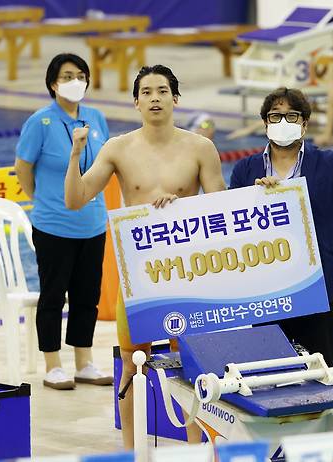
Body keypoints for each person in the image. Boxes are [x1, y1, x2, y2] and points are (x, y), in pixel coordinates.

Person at [64, 65, 227, 449]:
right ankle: (132, 452)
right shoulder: (118, 148)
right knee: (131, 366)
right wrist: (75, 155)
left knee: (192, 366)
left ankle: (195, 451)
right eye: (147, 92)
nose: (155, 97)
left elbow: (223, 209)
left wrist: (183, 206)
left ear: (176, 99)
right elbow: (75, 199)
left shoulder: (200, 148)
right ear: (136, 102)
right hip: (138, 278)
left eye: (163, 91)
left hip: (189, 278)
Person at [229, 87, 333, 366]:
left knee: (319, 360)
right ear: (265, 124)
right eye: (275, 116)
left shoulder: (326, 162)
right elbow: (231, 223)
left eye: (291, 116)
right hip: (267, 282)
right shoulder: (246, 170)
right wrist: (253, 196)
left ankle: (321, 409)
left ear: (305, 124)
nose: (283, 122)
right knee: (268, 361)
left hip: (317, 279)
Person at [14, 54, 114, 390]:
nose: (75, 81)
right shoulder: (40, 122)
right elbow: (23, 168)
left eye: (81, 75)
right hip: (53, 225)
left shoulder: (96, 118)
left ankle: (84, 361)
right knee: (54, 295)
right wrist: (42, 200)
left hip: (93, 223)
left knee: (87, 295)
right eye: (67, 75)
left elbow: (103, 166)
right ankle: (53, 364)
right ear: (53, 83)